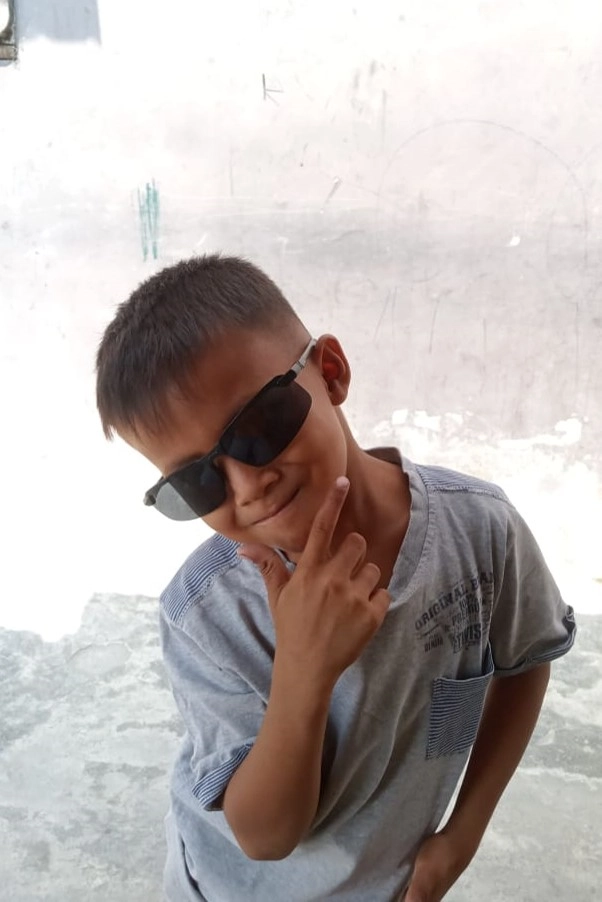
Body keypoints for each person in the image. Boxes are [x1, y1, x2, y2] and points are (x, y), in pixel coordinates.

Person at [95, 255, 576, 902]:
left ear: (330, 372)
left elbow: (526, 661)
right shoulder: (205, 612)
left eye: (258, 427)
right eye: (196, 481)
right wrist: (304, 670)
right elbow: (265, 836)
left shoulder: (479, 532)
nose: (248, 485)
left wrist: (463, 834)